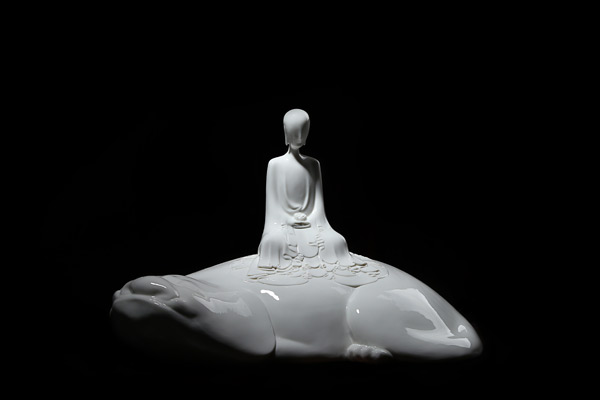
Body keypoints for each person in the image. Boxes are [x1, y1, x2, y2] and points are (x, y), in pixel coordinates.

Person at [254, 109, 361, 275]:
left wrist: (310, 219)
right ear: (286, 131)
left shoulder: (313, 165)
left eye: (302, 132)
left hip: (312, 222)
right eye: (294, 132)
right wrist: (288, 219)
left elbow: (318, 204)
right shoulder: (275, 165)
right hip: (284, 224)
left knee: (337, 241)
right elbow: (273, 207)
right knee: (273, 243)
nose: (298, 137)